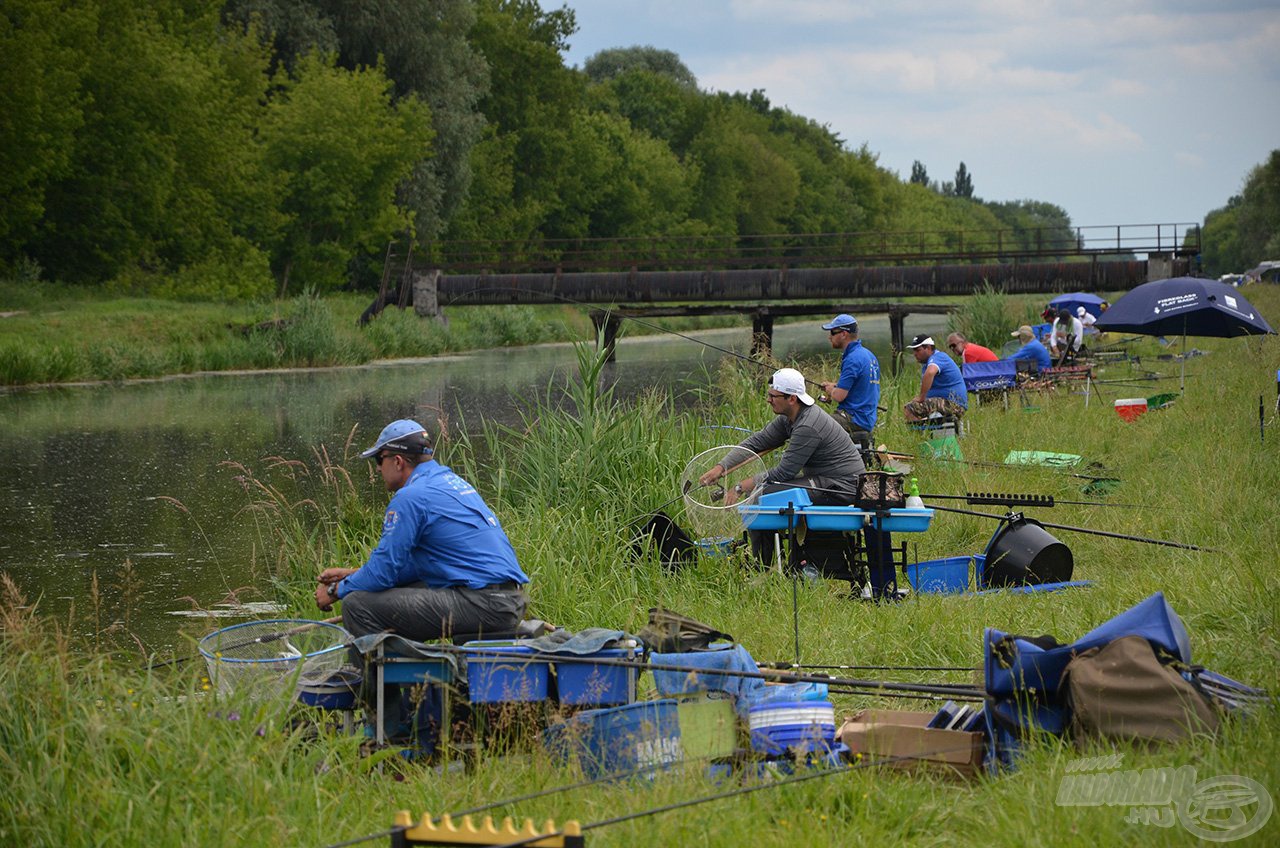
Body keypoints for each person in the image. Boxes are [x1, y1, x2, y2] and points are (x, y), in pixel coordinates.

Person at [315, 419, 529, 642]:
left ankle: (381, 676)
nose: (378, 468)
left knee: (357, 605)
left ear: (397, 461)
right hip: (508, 599)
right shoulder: (450, 482)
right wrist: (353, 575)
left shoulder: (411, 497)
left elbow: (383, 572)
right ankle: (416, 669)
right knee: (394, 589)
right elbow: (415, 569)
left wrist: (335, 591)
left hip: (484, 604)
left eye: (379, 459)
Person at [700, 368, 865, 506]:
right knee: (761, 493)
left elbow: (783, 473)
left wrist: (740, 486)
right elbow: (755, 443)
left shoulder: (808, 425)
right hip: (824, 480)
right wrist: (720, 468)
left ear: (792, 399)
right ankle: (774, 544)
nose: (768, 400)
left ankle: (767, 546)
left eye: (773, 396)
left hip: (842, 487)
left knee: (759, 496)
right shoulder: (789, 418)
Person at [818, 314, 881, 447]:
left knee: (813, 424)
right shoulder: (868, 355)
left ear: (843, 334)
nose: (829, 337)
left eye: (832, 332)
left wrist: (830, 390)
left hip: (853, 418)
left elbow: (839, 396)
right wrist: (835, 385)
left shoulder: (852, 359)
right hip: (867, 418)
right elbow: (861, 385)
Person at [903, 335, 967, 422]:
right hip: (946, 402)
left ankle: (921, 434)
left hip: (953, 404)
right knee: (915, 406)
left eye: (918, 350)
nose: (915, 354)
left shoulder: (938, 357)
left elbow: (930, 373)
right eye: (914, 350)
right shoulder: (929, 363)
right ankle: (930, 432)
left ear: (928, 348)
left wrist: (921, 397)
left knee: (910, 408)